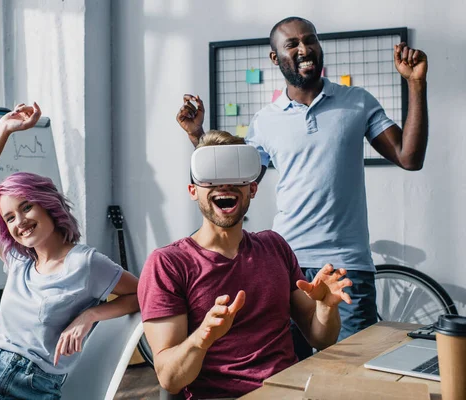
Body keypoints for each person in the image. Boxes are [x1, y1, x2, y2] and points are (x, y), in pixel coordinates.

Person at [176, 17, 428, 341]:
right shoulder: (265, 121)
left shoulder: (358, 102)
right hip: (285, 263)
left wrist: (416, 85)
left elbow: (409, 157)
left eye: (310, 40)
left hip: (346, 266)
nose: (304, 48)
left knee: (353, 372)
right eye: (292, 44)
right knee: (289, 367)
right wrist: (197, 135)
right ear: (275, 57)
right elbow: (233, 178)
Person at [0, 103, 139, 400]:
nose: (20, 222)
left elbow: (145, 293)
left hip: (33, 387)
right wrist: (3, 129)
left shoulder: (86, 262)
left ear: (46, 204)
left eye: (26, 207)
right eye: (9, 218)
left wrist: (91, 315)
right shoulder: (17, 260)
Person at [138, 130, 353, 399]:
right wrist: (202, 338)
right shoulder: (169, 264)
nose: (224, 186)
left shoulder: (275, 246)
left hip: (293, 391)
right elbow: (170, 379)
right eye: (213, 178)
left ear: (252, 188)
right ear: (193, 191)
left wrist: (325, 307)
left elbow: (322, 339)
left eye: (235, 176)